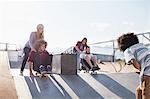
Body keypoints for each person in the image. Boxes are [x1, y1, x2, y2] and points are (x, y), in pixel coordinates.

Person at [117, 33, 150, 99]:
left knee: (146, 93)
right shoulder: (142, 46)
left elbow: (133, 61)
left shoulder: (128, 50)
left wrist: (139, 68)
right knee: (139, 90)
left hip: (148, 73)